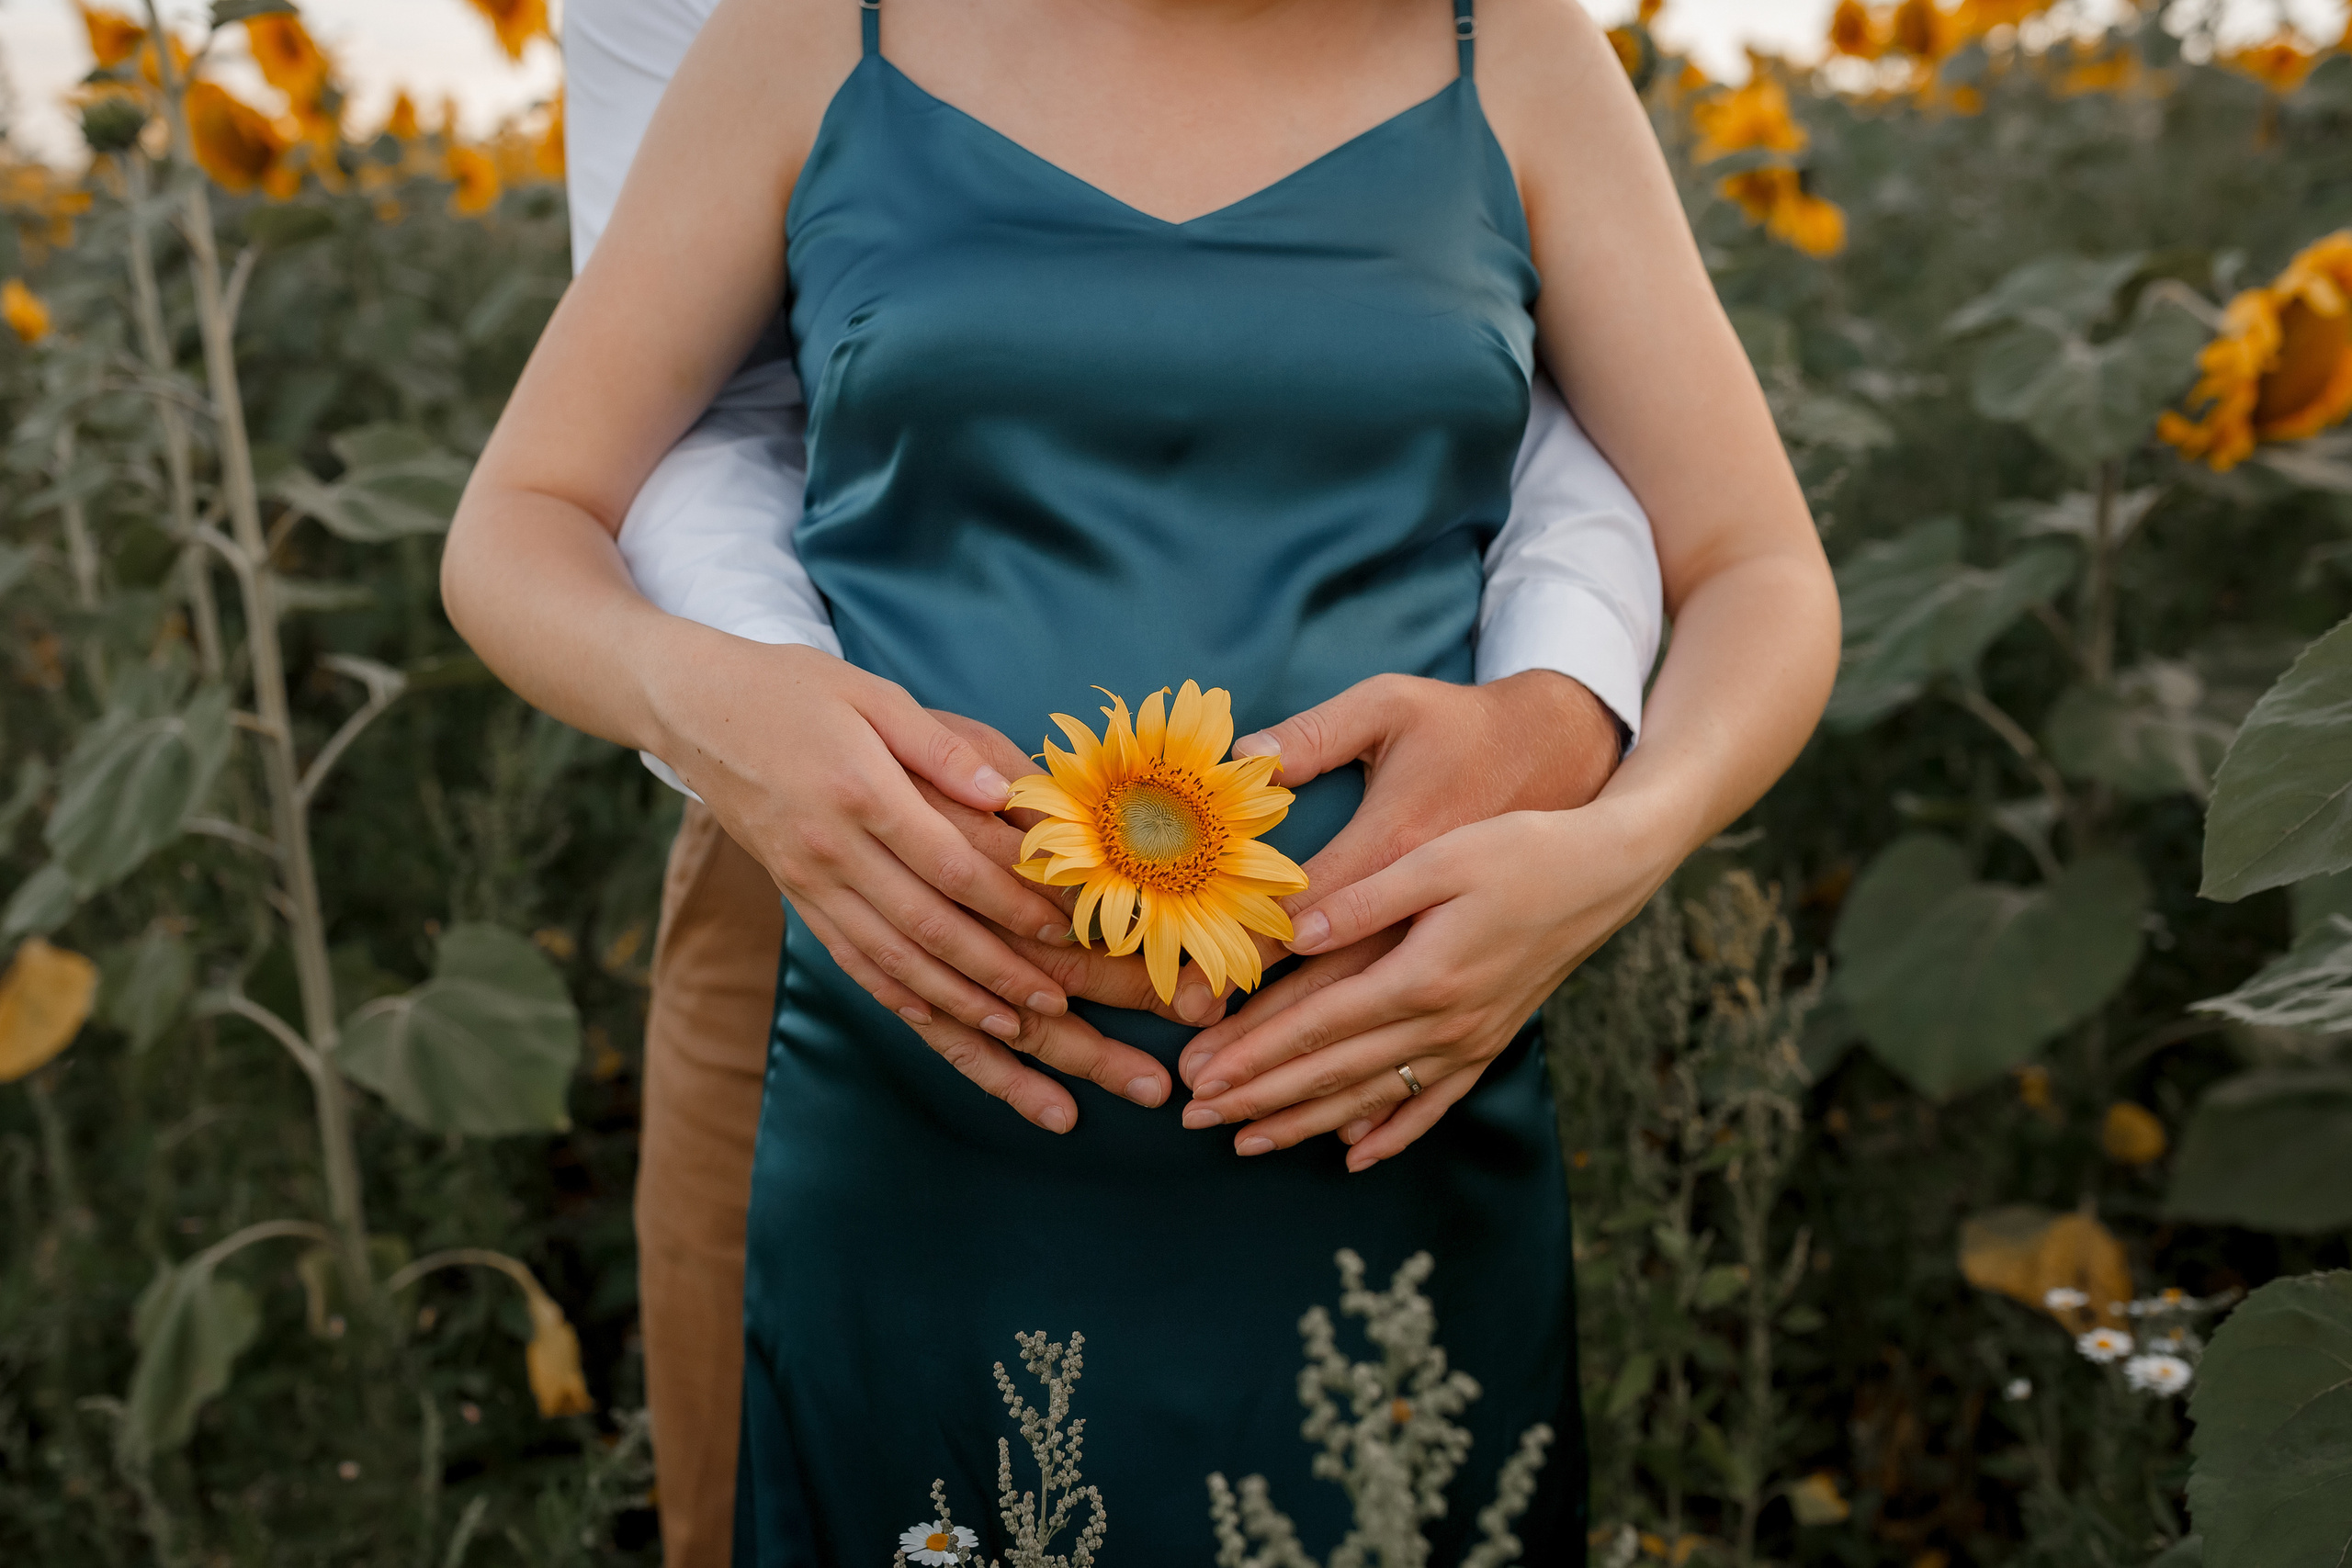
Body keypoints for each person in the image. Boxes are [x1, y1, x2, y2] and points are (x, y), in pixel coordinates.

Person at [445, 0, 1839, 1561]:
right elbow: (524, 520)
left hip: (1385, 1105)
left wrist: (1619, 845)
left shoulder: (1505, 47)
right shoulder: (810, 33)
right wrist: (716, 696)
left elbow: (1757, 566)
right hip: (925, 1102)